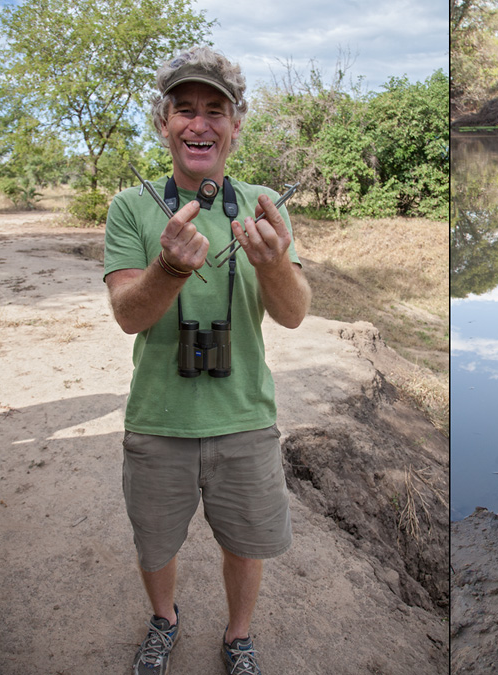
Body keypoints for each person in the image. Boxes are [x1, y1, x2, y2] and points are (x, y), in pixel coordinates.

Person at [103, 46, 311, 675]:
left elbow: (294, 313)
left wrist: (272, 261)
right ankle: (164, 621)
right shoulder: (131, 208)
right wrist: (168, 268)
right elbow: (128, 316)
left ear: (236, 124)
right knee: (155, 542)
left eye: (215, 110)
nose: (200, 123)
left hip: (245, 416)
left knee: (247, 545)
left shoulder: (264, 204)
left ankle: (238, 636)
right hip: (158, 419)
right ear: (163, 121)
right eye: (185, 109)